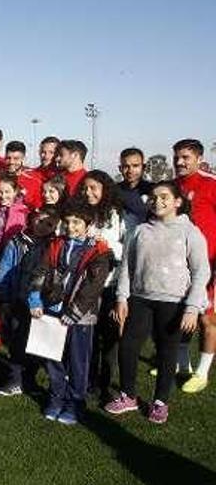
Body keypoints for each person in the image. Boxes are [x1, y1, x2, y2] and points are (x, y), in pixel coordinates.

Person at [106, 181, 210, 424]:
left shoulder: (190, 232)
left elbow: (201, 272)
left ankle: (160, 401)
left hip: (173, 303)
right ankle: (128, 395)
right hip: (141, 299)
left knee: (166, 352)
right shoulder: (140, 230)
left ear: (177, 202)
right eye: (153, 197)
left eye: (164, 196)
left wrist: (192, 308)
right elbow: (127, 268)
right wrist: (122, 297)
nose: (157, 201)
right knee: (128, 346)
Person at [27, 202, 112, 424]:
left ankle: (75, 402)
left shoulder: (100, 251)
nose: (71, 226)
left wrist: (75, 311)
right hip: (53, 309)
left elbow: (94, 286)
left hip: (80, 316)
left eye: (76, 222)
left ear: (88, 224)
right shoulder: (57, 244)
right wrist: (35, 297)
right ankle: (56, 397)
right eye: (67, 222)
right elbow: (41, 270)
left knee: (78, 361)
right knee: (52, 357)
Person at [0, 205, 61, 395]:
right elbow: (5, 270)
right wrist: (5, 297)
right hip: (18, 300)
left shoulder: (56, 245)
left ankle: (30, 380)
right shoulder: (17, 242)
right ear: (33, 217)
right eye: (40, 220)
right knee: (17, 341)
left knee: (38, 344)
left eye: (49, 224)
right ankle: (15, 379)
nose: (42, 226)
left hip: (43, 304)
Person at [78, 170, 127, 400]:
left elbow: (125, 249)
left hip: (108, 284)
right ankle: (87, 379)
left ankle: (106, 384)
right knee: (87, 336)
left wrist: (104, 243)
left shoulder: (116, 215)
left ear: (104, 189)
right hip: (85, 285)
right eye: (85, 188)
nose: (88, 193)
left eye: (93, 188)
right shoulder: (79, 212)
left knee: (108, 338)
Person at [173, 139, 216, 393]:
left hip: (209, 264)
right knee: (181, 314)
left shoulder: (210, 184)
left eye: (185, 157)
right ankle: (182, 364)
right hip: (181, 264)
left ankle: (202, 372)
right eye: (177, 157)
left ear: (198, 158)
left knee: (206, 319)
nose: (179, 162)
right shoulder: (174, 186)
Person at [0, 141, 43, 209]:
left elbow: (38, 205)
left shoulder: (34, 180)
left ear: (24, 159)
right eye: (8, 158)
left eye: (16, 159)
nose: (11, 162)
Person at [0, 174, 29, 256]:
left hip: (9, 251)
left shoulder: (21, 210)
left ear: (15, 192)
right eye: (0, 192)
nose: (3, 196)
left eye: (7, 192)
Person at [116, 147, 154, 225]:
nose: (130, 170)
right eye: (126, 166)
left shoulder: (153, 190)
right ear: (120, 169)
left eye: (135, 166)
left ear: (143, 167)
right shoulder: (113, 191)